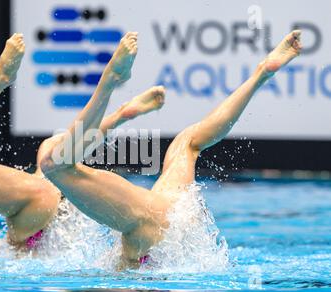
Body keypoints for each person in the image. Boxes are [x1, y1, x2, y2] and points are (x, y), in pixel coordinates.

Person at [39, 30, 303, 268]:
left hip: (152, 226)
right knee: (188, 142)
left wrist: (116, 103)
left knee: (53, 162)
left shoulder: (37, 189)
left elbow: (58, 159)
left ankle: (109, 82)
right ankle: (261, 74)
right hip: (177, 213)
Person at [0, 33, 166, 252]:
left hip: (36, 207)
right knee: (54, 158)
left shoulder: (39, 187)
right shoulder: (59, 178)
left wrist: (120, 117)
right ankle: (107, 86)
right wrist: (120, 116)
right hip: (51, 198)